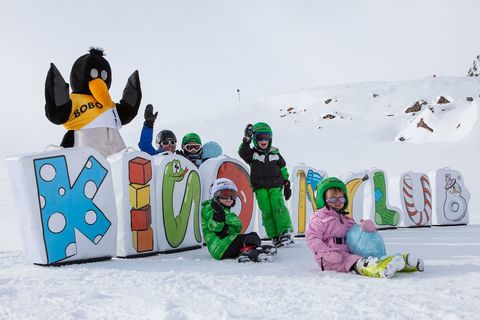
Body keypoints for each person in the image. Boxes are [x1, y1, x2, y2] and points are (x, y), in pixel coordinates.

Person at [305, 177, 424, 278]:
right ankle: (378, 268)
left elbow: (356, 235)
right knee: (357, 261)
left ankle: (401, 261)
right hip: (329, 259)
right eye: (332, 199)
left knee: (364, 256)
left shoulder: (346, 219)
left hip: (348, 253)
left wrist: (366, 228)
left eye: (341, 198)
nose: (338, 202)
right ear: (323, 200)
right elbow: (312, 239)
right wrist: (327, 253)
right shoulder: (319, 219)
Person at [238, 122, 294, 247]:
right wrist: (246, 140)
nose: (263, 141)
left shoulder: (275, 153)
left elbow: (283, 168)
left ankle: (284, 232)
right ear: (254, 139)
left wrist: (287, 183)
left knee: (278, 207)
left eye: (266, 137)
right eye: (259, 138)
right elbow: (242, 152)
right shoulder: (252, 154)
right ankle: (274, 235)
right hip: (260, 188)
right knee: (267, 211)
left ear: (270, 138)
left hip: (275, 186)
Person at [201, 178, 277, 262]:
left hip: (225, 243)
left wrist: (227, 218)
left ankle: (252, 248)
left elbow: (236, 228)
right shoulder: (210, 208)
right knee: (251, 237)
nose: (229, 198)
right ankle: (248, 251)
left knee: (252, 236)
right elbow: (216, 227)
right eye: (225, 194)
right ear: (215, 195)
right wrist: (219, 216)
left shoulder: (222, 210)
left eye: (232, 195)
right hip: (220, 246)